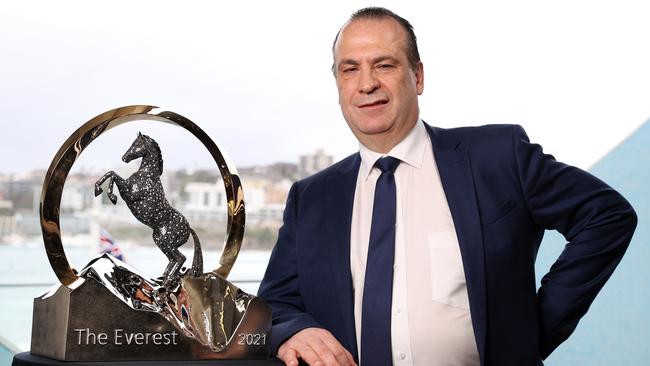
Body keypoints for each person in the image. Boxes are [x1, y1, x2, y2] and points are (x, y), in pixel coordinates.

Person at [258, 7, 637, 366]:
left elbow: (607, 215)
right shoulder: (312, 198)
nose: (366, 83)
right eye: (350, 69)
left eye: (384, 65)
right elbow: (275, 302)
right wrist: (295, 330)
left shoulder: (497, 157)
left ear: (418, 76)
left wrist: (533, 329)